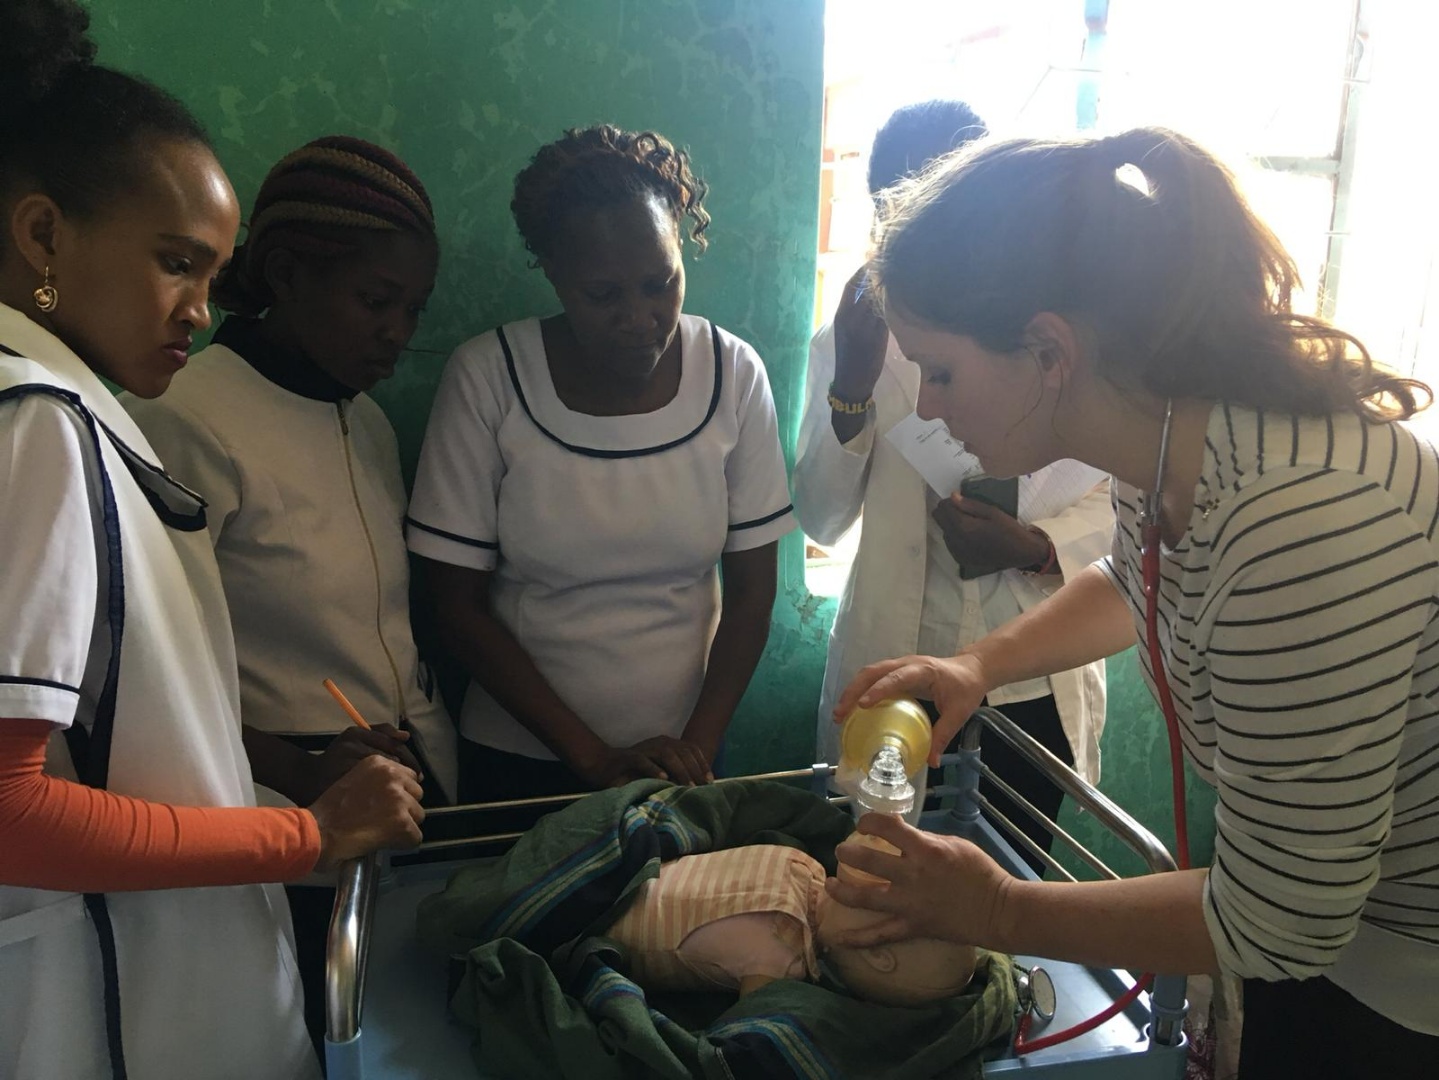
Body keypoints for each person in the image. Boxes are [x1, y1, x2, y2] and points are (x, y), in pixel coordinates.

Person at [825, 126, 1439, 1077]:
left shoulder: (1303, 520)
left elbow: (1280, 922)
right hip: (1329, 936)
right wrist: (975, 666)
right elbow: (1134, 581)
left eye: (938, 371)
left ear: (1047, 350)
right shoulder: (1171, 442)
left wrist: (995, 911)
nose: (931, 407)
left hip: (1406, 985)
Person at [0, 4, 424, 1077]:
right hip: (103, 989)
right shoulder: (38, 422)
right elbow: (9, 812)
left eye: (210, 272)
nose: (198, 307)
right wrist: (308, 832)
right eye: (176, 262)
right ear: (44, 235)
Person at [122, 134, 458, 1054]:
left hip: (397, 794)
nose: (396, 331)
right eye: (375, 301)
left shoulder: (370, 420)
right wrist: (299, 769)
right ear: (283, 272)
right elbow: (156, 671)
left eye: (413, 308)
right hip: (282, 802)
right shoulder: (191, 417)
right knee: (304, 1039)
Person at [407, 125, 795, 803]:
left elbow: (752, 593)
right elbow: (454, 605)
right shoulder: (488, 376)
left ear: (682, 249)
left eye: (659, 283)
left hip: (687, 757)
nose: (640, 317)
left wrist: (697, 750)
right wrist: (591, 758)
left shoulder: (732, 373)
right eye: (603, 294)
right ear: (554, 272)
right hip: (520, 761)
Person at [794, 100, 1110, 863]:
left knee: (1012, 882)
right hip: (896, 669)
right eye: (887, 224)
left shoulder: (1068, 342)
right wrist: (853, 385)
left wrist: (1038, 547)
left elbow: (1122, 498)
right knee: (873, 880)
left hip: (1031, 683)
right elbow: (820, 519)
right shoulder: (854, 343)